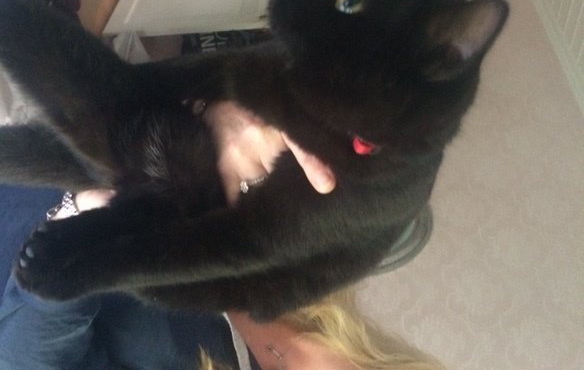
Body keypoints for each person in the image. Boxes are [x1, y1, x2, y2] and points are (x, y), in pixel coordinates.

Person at [0, 102, 441, 370]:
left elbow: (28, 360)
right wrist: (227, 115)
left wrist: (81, 223)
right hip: (64, 127)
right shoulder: (309, 275)